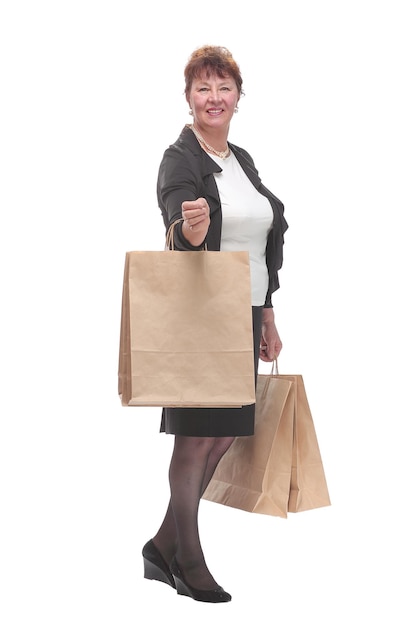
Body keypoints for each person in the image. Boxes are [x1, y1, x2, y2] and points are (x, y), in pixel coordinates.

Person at [142, 45, 288, 603]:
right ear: (188, 99)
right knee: (195, 437)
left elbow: (260, 244)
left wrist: (269, 312)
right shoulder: (180, 159)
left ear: (237, 98)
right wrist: (194, 231)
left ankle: (162, 542)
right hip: (203, 317)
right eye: (203, 88)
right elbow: (180, 228)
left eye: (223, 87)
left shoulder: (241, 161)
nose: (213, 98)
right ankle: (188, 556)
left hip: (247, 314)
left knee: (225, 432)